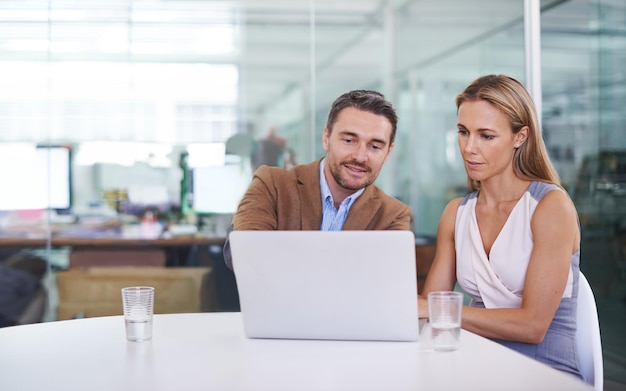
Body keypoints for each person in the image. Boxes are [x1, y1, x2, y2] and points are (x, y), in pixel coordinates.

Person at [419, 74, 583, 380]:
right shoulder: (456, 213)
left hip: (544, 372)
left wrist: (436, 310)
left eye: (486, 136)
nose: (469, 148)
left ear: (520, 137)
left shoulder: (550, 208)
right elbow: (432, 311)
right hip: (474, 363)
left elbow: (532, 326)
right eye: (463, 132)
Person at [223, 89, 412, 269]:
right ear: (326, 138)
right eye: (349, 140)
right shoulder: (272, 184)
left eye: (375, 146)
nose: (360, 157)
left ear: (388, 153)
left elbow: (386, 283)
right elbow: (245, 255)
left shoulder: (393, 215)